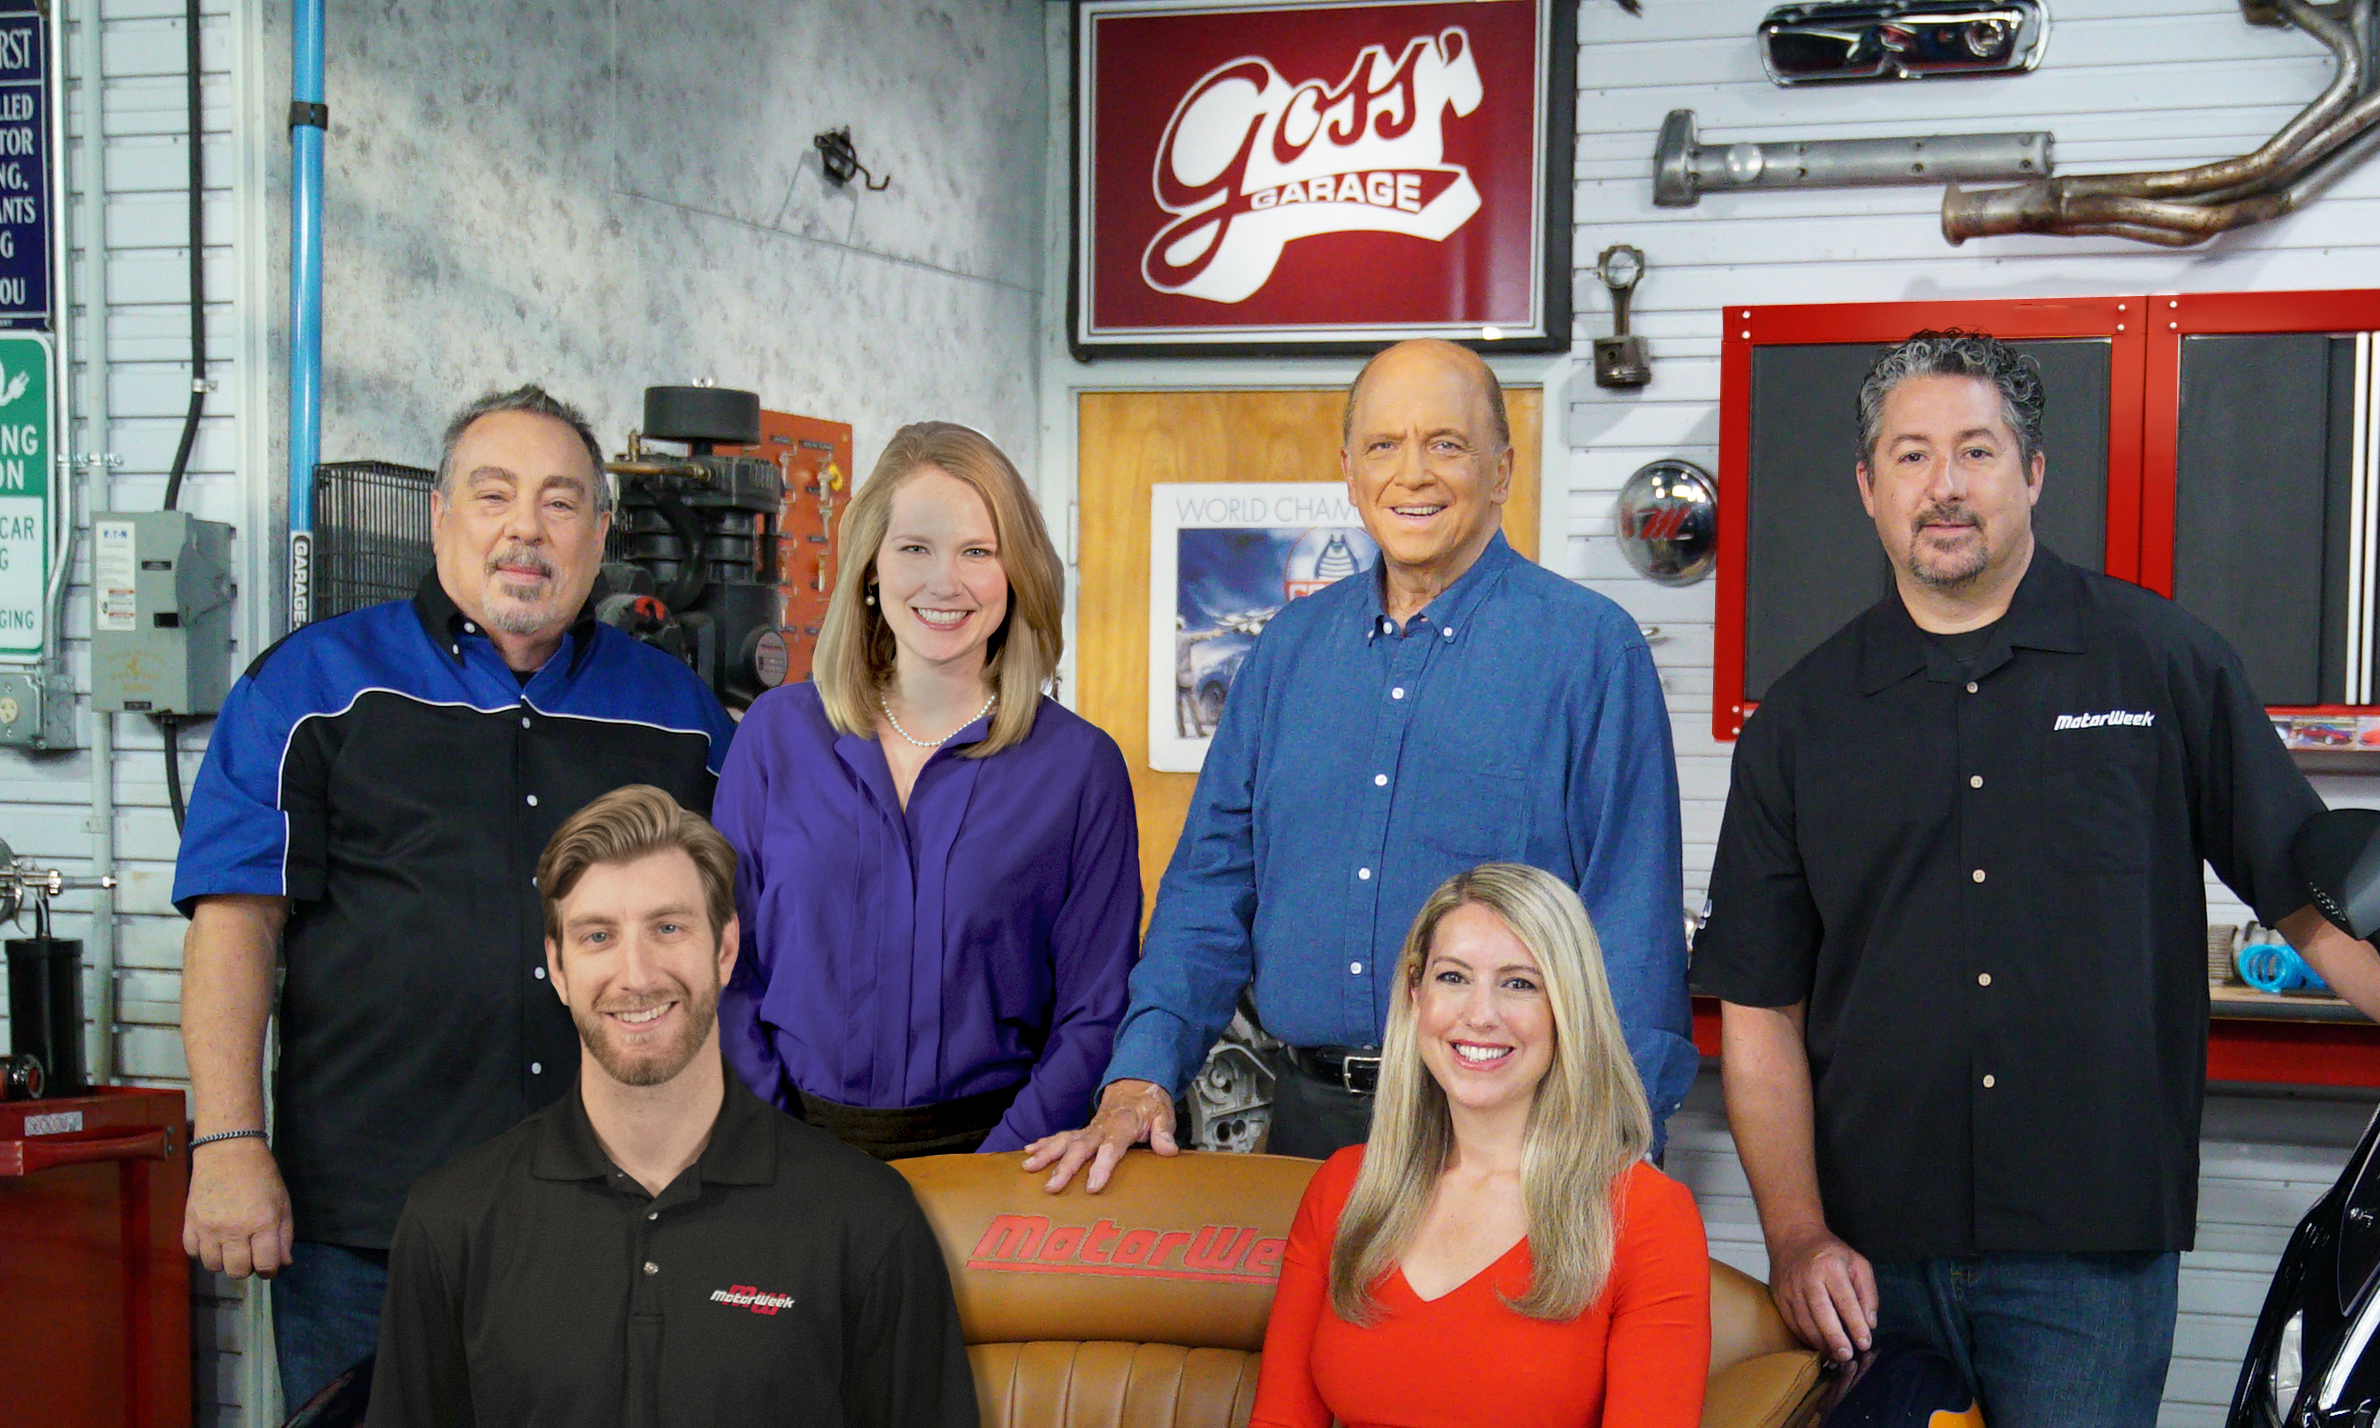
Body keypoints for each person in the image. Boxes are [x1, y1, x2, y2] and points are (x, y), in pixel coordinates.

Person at [1695, 329, 2380, 1427]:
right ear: (1869, 489)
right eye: (1911, 456)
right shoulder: (1804, 722)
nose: (1945, 486)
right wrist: (1796, 1233)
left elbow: (2302, 898)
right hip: (1872, 1263)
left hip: (2088, 1259)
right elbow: (1761, 1005)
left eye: (1976, 451)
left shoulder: (2162, 663)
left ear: (2034, 474)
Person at [173, 385, 738, 1408]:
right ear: (441, 517)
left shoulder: (682, 720)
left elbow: (733, 949)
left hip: (617, 1214)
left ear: (601, 533)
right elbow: (233, 924)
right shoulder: (312, 689)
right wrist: (227, 1143)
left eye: (562, 503)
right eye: (494, 495)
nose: (527, 529)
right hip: (367, 1228)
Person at [1027, 337, 1693, 1190]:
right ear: (1349, 470)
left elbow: (1629, 927)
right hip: (1307, 1129)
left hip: (1507, 1134)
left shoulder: (1588, 651)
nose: (1411, 474)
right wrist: (1141, 1075)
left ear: (1502, 469)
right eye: (1384, 445)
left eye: (1445, 444)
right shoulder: (1286, 653)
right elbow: (1210, 890)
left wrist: (1617, 1149)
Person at [367, 785, 976, 1427]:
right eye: (598, 935)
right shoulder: (452, 1223)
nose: (637, 974)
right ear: (559, 967)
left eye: (668, 927)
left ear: (724, 948)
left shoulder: (865, 1219)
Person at [716, 421, 1139, 1157]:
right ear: (871, 569)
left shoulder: (1080, 769)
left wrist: (991, 1177)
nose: (945, 581)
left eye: (978, 551)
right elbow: (723, 970)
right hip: (792, 1155)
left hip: (1003, 1159)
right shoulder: (773, 738)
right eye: (916, 548)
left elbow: (1095, 1012)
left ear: (1017, 573)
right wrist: (781, 1153)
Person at [1250, 863, 1709, 1428]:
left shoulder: (1646, 1215)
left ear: (1570, 1008)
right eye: (1453, 977)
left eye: (1519, 983)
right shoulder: (1345, 1187)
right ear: (1416, 994)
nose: (1479, 1015)